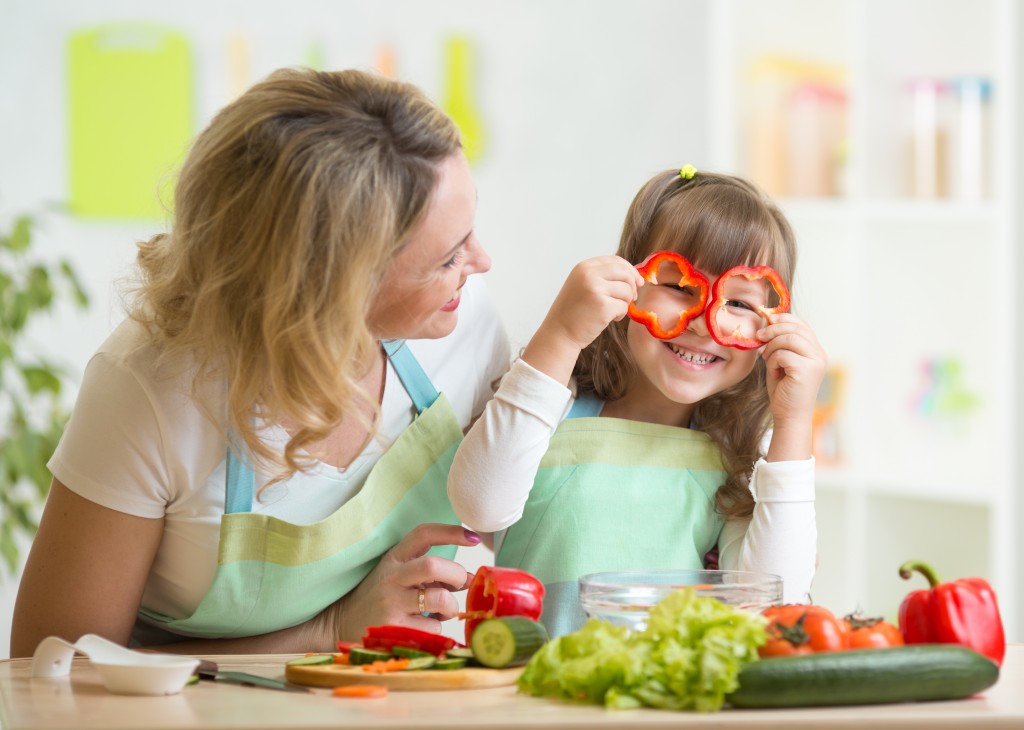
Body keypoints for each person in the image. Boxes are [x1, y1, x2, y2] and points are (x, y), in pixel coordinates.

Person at [11, 67, 510, 657]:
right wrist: (326, 633)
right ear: (332, 290)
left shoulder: (462, 321)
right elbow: (51, 670)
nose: (481, 263)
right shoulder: (152, 389)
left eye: (469, 233)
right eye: (447, 258)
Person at [448, 166, 825, 636]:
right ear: (628, 283)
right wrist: (561, 334)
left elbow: (777, 603)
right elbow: (479, 507)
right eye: (680, 287)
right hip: (529, 696)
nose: (705, 322)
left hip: (665, 704)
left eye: (741, 304)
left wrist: (793, 423)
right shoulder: (553, 406)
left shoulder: (737, 456)